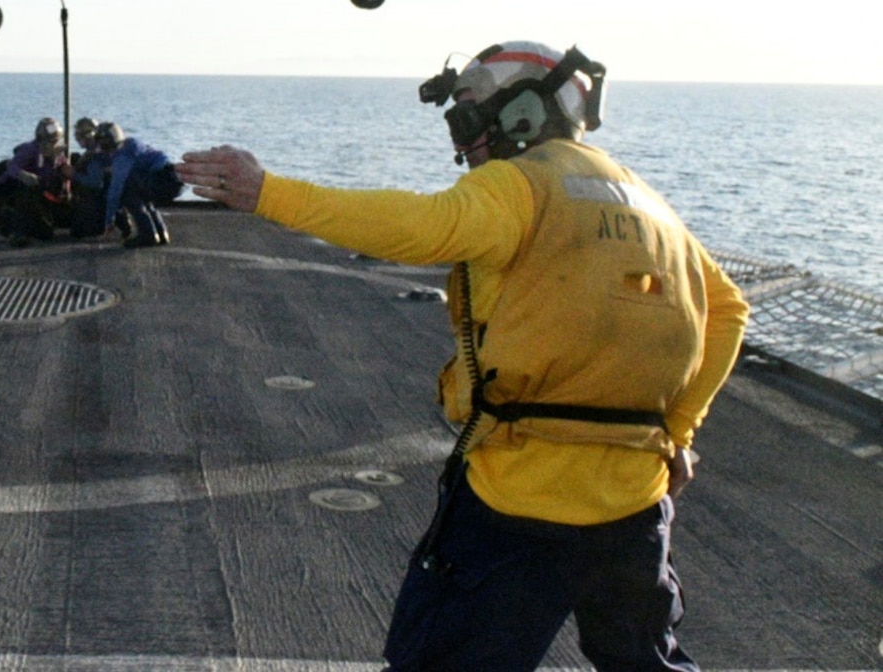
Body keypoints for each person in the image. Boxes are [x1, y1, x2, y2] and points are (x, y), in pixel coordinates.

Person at [176, 42, 750, 671]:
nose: (466, 142)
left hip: (520, 496)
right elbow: (727, 311)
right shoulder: (651, 205)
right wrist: (678, 431)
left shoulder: (519, 185)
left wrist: (268, 192)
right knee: (646, 661)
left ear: (524, 112)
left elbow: (421, 225)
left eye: (469, 119)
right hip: (634, 500)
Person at [98, 121, 183, 249]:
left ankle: (148, 235)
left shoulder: (122, 157)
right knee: (143, 196)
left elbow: (115, 192)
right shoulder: (132, 144)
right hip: (171, 178)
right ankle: (161, 232)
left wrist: (109, 220)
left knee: (127, 192)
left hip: (160, 182)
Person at [0, 117, 70, 246]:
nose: (55, 145)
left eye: (56, 141)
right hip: (16, 190)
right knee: (27, 190)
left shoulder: (58, 156)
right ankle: (17, 230)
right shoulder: (30, 150)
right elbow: (12, 167)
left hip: (40, 192)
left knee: (45, 234)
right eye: (52, 142)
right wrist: (24, 175)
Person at [64, 117, 111, 238]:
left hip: (97, 199)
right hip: (106, 194)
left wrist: (74, 174)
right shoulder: (98, 150)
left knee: (77, 232)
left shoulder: (94, 157)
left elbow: (95, 183)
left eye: (79, 134)